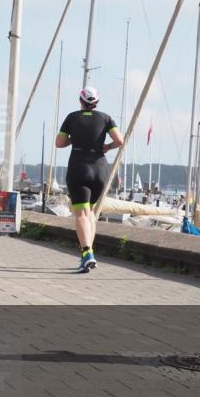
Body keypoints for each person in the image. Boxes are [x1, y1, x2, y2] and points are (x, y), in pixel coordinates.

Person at [55, 87, 124, 272]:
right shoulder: (106, 118)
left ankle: (87, 253)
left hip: (79, 168)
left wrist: (74, 139)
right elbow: (120, 140)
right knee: (91, 212)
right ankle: (89, 253)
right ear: (97, 102)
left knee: (82, 214)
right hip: (100, 169)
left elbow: (59, 143)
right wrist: (107, 146)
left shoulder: (72, 117)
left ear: (80, 101)